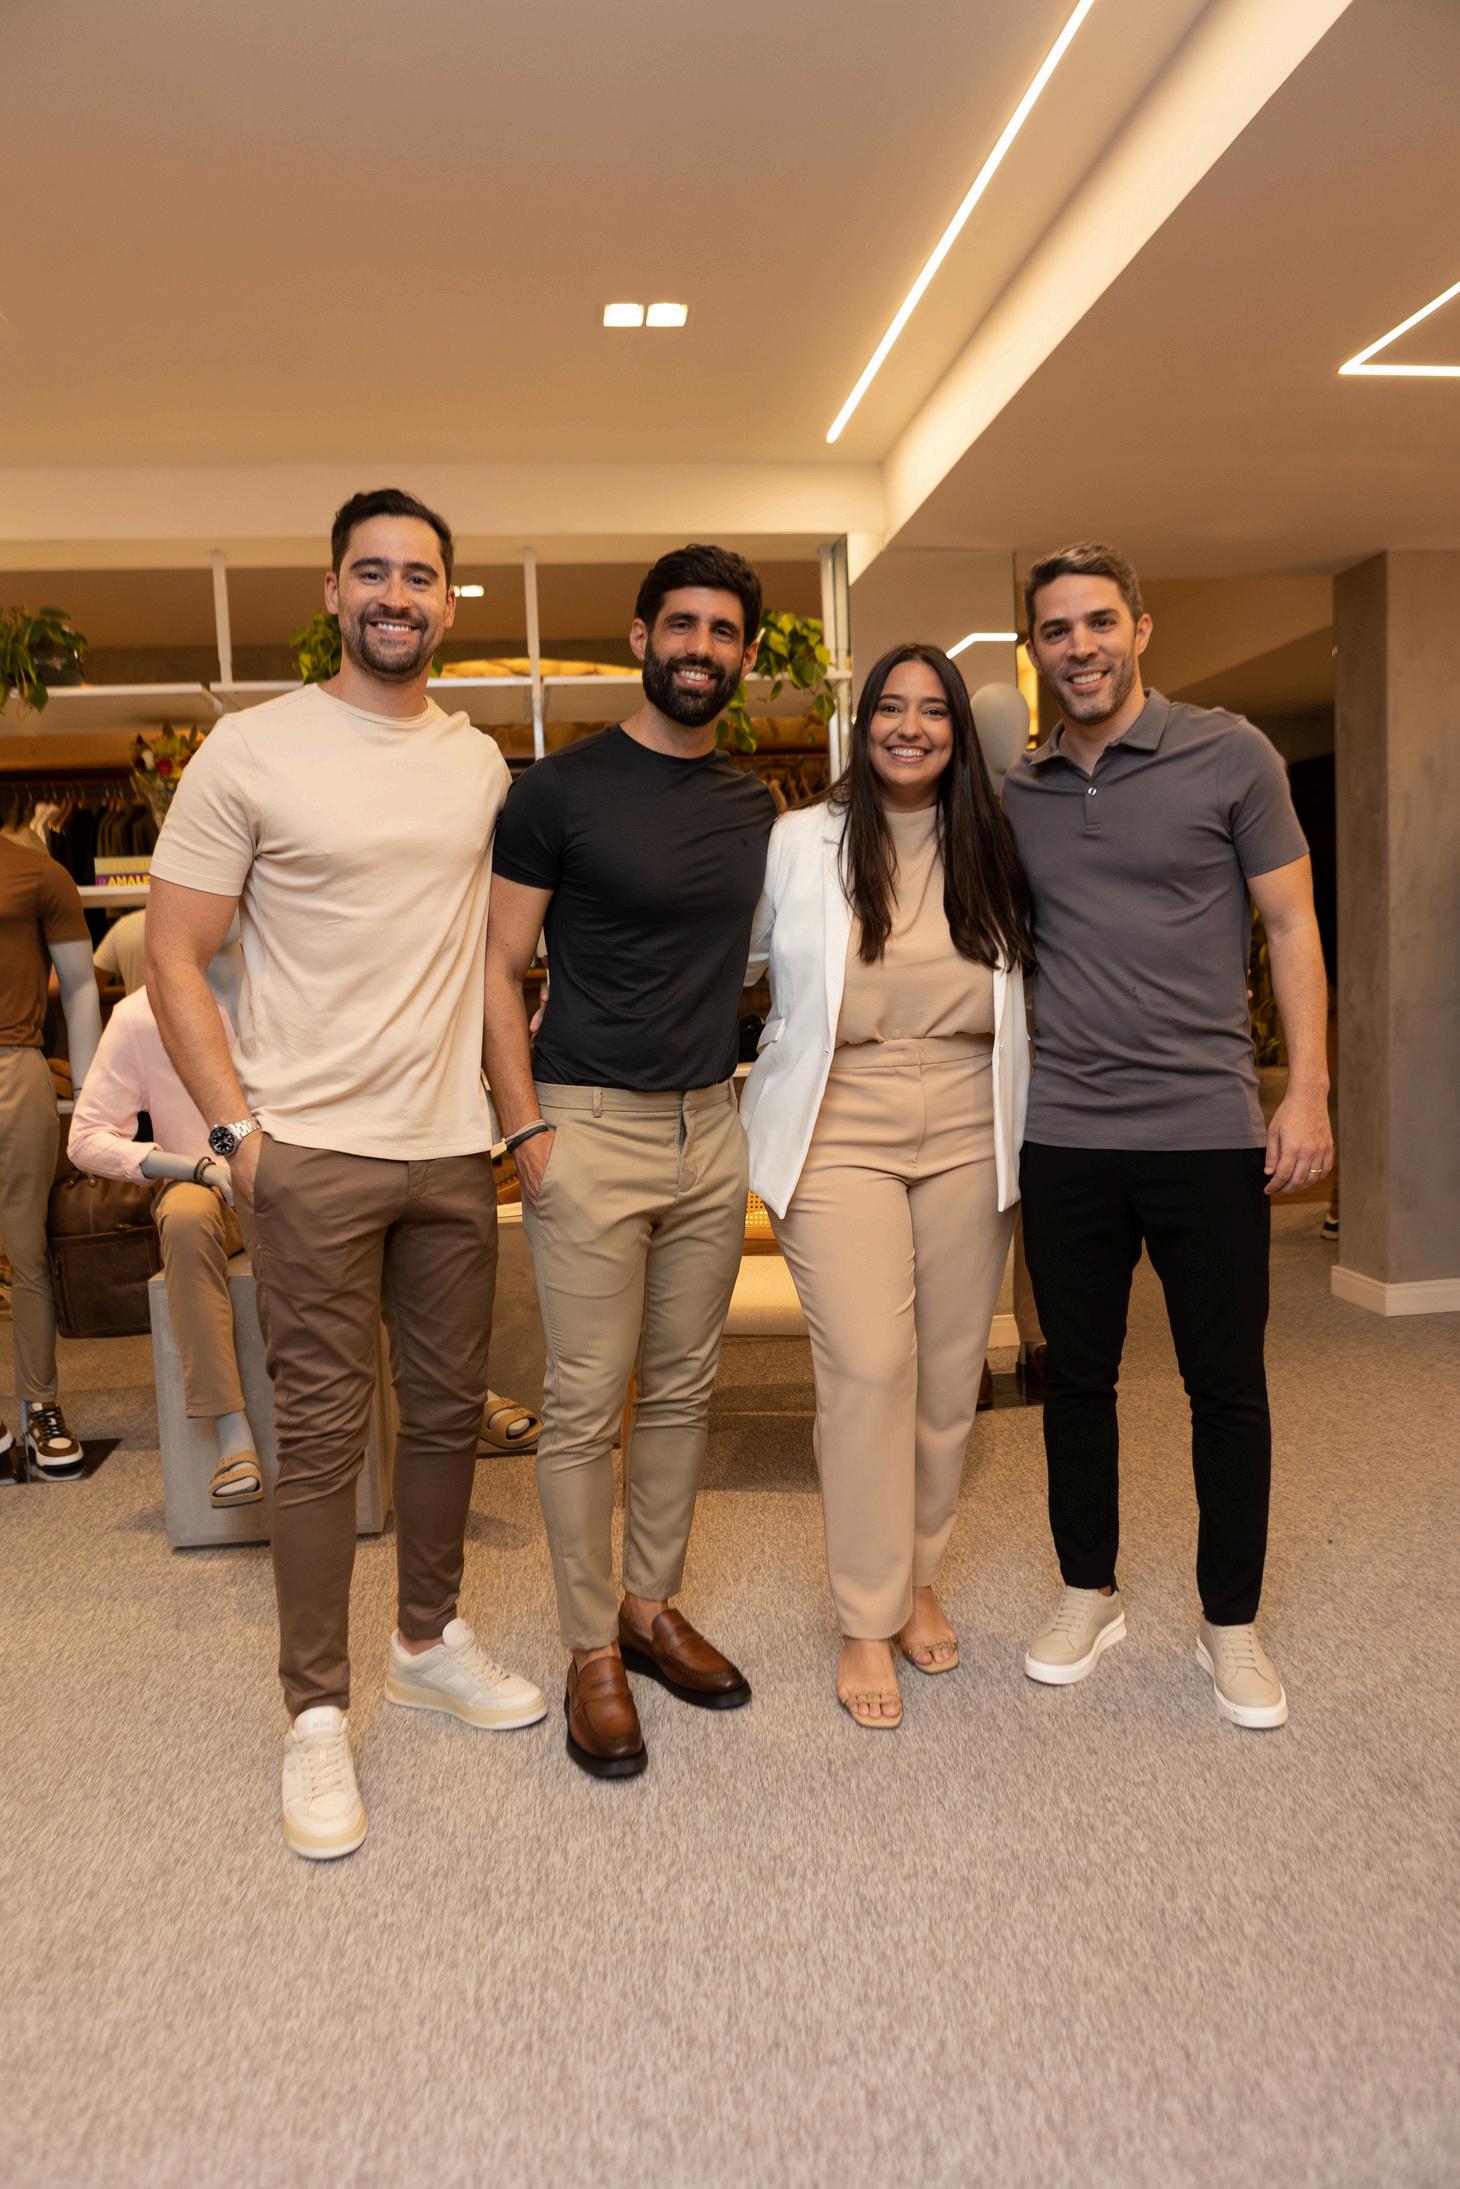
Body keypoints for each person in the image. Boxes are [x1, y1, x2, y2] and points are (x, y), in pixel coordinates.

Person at [146, 487, 545, 1861]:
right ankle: (315, 1713)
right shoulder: (251, 748)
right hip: (308, 1151)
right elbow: (173, 952)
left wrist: (513, 1119)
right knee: (320, 1439)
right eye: (370, 572)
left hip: (449, 1152)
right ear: (331, 592)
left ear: (447, 601)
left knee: (443, 1417)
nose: (396, 596)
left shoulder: (478, 763)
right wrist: (234, 1139)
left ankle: (427, 1642)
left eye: (419, 576)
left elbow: (489, 960)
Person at [1004, 541, 1332, 1730]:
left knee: (1223, 1383)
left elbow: (1289, 924)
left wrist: (1307, 1091)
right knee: (1076, 1377)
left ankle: (1227, 1622)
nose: (1079, 646)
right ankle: (1086, 1591)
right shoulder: (1016, 788)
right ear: (1034, 649)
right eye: (1055, 629)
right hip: (1063, 1131)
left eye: (1099, 621)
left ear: (1139, 629)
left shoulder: (1228, 753)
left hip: (1204, 1127)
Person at [483, 543, 775, 1780]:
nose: (700, 648)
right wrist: (524, 1127)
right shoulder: (556, 790)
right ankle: (588, 1648)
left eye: (722, 632)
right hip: (586, 1126)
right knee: (584, 1398)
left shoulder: (754, 807)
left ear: (742, 655)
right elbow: (496, 966)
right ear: (641, 635)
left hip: (709, 1124)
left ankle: (650, 1609)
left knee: (685, 1385)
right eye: (682, 625)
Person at [741, 644, 1034, 1727]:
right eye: (890, 709)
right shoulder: (797, 841)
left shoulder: (996, 840)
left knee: (949, 1371)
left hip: (969, 1114)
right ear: (861, 726)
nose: (911, 727)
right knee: (869, 1364)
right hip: (839, 1118)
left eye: (933, 710)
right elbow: (733, 964)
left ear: (957, 730)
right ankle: (866, 1613)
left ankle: (917, 1577)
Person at [69, 930, 265, 1505]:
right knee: (182, 1219)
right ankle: (232, 1433)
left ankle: (455, 1390)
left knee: (369, 1194)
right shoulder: (140, 1016)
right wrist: (192, 1167)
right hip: (207, 1183)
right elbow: (85, 1137)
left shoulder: (289, 988)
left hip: (297, 1172)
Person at [0, 833, 102, 1480]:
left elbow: (81, 985)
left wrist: (91, 1095)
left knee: (27, 1249)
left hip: (14, 1064)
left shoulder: (38, 873)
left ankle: (41, 1406)